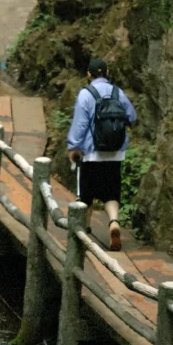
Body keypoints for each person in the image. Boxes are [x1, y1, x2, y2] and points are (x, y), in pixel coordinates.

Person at [66, 57, 138, 251]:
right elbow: (132, 116)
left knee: (87, 194)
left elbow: (80, 124)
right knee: (111, 191)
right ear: (107, 73)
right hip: (115, 152)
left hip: (92, 153)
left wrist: (74, 146)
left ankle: (84, 231)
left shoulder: (86, 94)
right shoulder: (118, 92)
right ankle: (114, 222)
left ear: (88, 74)